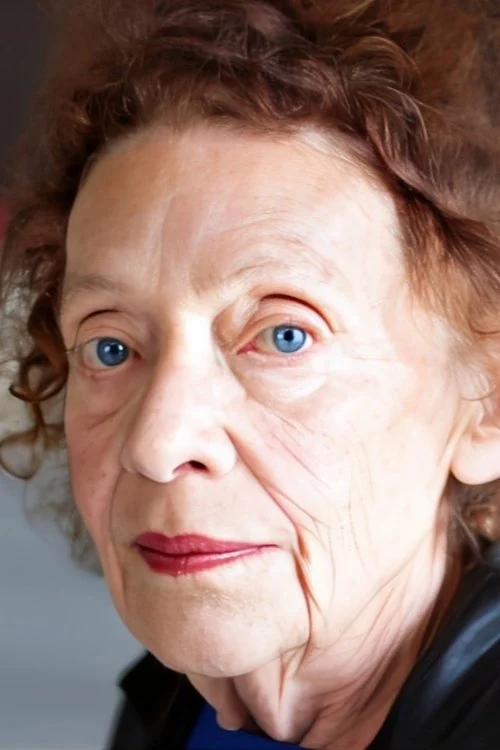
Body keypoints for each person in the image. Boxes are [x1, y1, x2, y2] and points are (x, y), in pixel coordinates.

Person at [1, 1, 500, 748]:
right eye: (109, 347)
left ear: (486, 403)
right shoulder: (178, 706)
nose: (158, 443)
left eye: (285, 336)